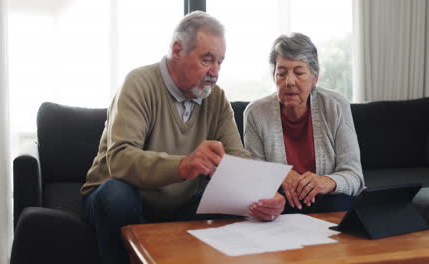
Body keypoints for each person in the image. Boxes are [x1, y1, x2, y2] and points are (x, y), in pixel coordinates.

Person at [80, 11, 283, 264]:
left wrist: (264, 194)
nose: (215, 72)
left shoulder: (216, 98)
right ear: (177, 50)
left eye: (220, 62)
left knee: (226, 201)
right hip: (118, 196)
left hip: (179, 204)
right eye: (207, 59)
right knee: (117, 195)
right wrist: (183, 165)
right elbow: (120, 160)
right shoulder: (139, 83)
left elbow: (237, 157)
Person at [244, 33, 365, 218]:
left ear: (314, 78)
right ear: (274, 76)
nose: (289, 81)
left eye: (299, 73)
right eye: (281, 73)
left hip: (328, 201)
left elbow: (355, 177)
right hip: (282, 204)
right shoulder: (255, 113)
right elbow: (252, 176)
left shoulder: (336, 105)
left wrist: (327, 181)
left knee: (341, 200)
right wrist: (278, 175)